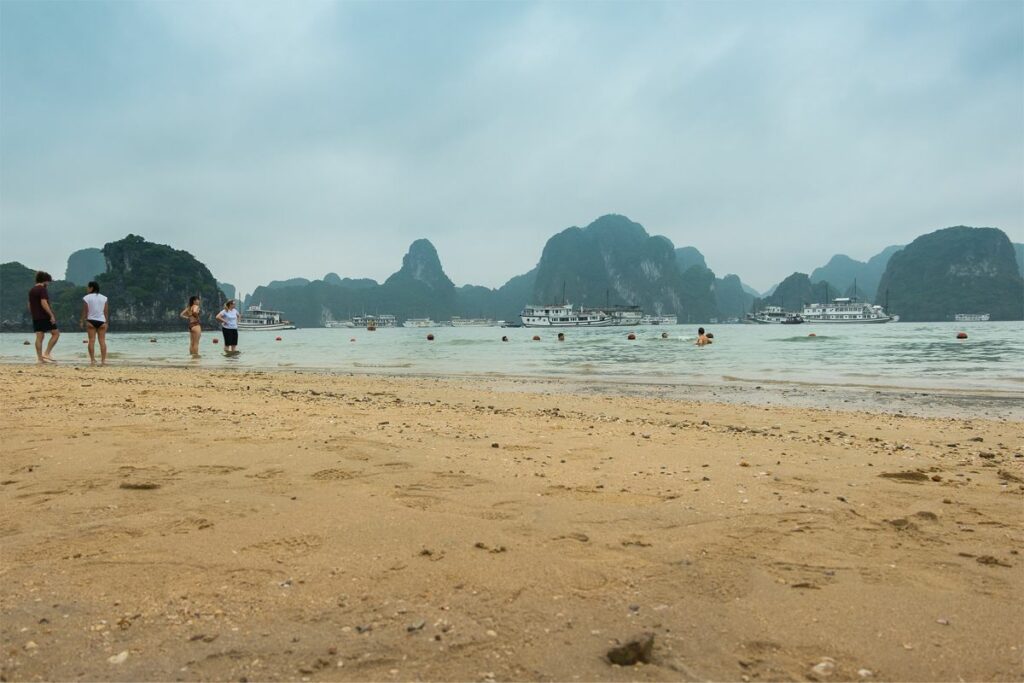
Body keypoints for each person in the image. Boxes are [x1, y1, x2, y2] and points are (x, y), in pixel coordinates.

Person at [28, 271, 60, 363]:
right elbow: (44, 303)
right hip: (44, 316)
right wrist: (51, 315)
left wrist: (33, 314)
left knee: (39, 337)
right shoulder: (42, 289)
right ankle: (47, 353)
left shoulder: (32, 290)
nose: (48, 284)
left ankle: (40, 359)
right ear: (45, 280)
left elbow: (29, 304)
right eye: (48, 282)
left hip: (36, 317)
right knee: (56, 333)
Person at [79, 281, 109, 365]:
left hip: (91, 321)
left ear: (91, 288)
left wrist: (81, 321)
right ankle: (103, 361)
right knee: (102, 341)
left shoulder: (86, 298)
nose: (87, 289)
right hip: (102, 321)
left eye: (88, 287)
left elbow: (85, 311)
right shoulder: (104, 298)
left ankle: (92, 360)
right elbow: (106, 311)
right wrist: (106, 322)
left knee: (91, 341)